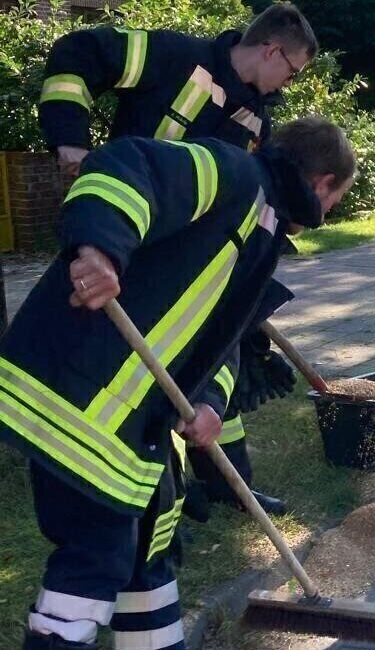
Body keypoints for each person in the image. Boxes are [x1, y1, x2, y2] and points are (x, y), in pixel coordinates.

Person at [4, 116, 355, 650]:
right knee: (95, 557)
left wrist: (213, 404)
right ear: (323, 184)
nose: (331, 211)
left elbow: (223, 339)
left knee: (151, 544)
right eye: (337, 198)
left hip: (130, 420)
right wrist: (98, 248)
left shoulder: (262, 232)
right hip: (78, 401)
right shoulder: (233, 172)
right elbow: (127, 166)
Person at [39, 1, 320, 515]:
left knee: (220, 359)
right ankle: (163, 494)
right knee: (144, 380)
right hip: (126, 249)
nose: (287, 84)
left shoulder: (256, 120)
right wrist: (71, 142)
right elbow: (78, 52)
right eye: (292, 70)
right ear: (272, 49)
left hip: (193, 267)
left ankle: (228, 483)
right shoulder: (173, 56)